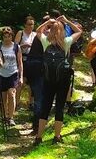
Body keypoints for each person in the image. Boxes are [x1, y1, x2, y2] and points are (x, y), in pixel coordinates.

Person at [31, 16, 82, 147]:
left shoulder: (45, 42)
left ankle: (38, 137)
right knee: (59, 107)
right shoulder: (66, 42)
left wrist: (48, 22)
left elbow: (38, 31)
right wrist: (67, 21)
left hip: (48, 80)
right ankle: (57, 136)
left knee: (45, 107)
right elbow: (79, 32)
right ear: (62, 31)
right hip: (62, 80)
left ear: (51, 30)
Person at [0, 27, 23, 127]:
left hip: (13, 73)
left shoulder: (16, 47)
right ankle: (4, 116)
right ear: (2, 37)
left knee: (11, 94)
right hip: (1, 74)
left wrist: (21, 76)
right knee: (3, 97)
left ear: (12, 36)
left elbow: (20, 63)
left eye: (9, 36)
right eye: (5, 37)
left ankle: (11, 117)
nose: (7, 38)